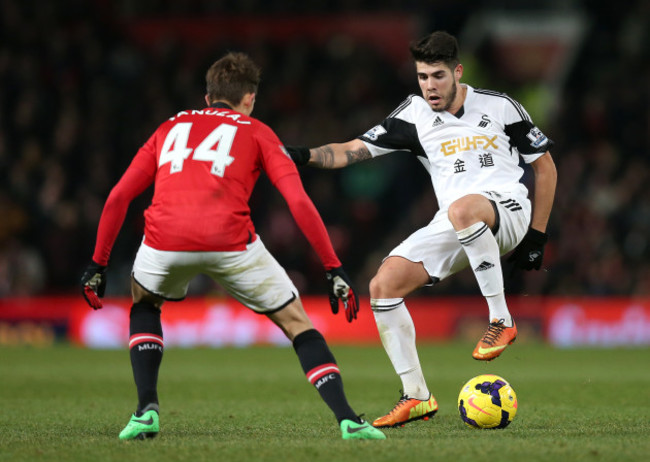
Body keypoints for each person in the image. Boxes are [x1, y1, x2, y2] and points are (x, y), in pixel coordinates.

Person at [80, 52, 386, 441]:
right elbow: (298, 202)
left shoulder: (168, 127)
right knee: (296, 324)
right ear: (249, 99)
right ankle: (348, 420)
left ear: (207, 98)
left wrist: (98, 262)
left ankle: (146, 411)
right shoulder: (257, 130)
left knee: (144, 305)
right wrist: (332, 266)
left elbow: (119, 196)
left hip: (165, 238)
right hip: (230, 240)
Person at [286, 31, 557, 428]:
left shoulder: (501, 108)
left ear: (457, 72)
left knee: (465, 209)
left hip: (508, 210)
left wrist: (537, 234)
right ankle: (417, 396)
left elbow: (544, 166)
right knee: (383, 285)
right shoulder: (413, 115)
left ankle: (501, 319)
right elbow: (351, 150)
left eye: (438, 76)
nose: (430, 86)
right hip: (456, 220)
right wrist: (302, 156)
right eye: (423, 77)